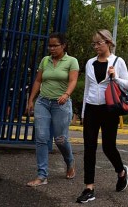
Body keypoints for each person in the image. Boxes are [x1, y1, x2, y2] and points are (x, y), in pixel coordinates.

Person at [76, 29, 128, 203]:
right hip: (92, 108)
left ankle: (121, 171)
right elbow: (87, 88)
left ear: (108, 42)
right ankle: (89, 187)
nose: (96, 47)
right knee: (89, 147)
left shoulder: (117, 61)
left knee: (108, 147)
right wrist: (84, 112)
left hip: (109, 109)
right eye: (94, 43)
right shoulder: (90, 63)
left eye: (99, 43)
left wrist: (115, 78)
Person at [26, 32, 79, 187]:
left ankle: (69, 162)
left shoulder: (72, 61)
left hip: (61, 104)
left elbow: (73, 80)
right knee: (41, 137)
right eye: (50, 45)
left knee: (60, 139)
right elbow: (38, 80)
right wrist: (31, 100)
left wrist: (66, 94)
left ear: (63, 46)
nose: (52, 48)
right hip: (43, 102)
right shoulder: (45, 60)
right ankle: (42, 175)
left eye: (55, 45)